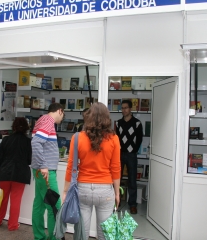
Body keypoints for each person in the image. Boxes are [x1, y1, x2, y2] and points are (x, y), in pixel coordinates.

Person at [63, 102, 120, 240]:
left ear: (89, 117)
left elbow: (71, 166)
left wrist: (65, 191)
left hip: (83, 188)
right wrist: (117, 193)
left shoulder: (77, 137)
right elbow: (116, 168)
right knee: (105, 234)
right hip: (105, 190)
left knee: (81, 232)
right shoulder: (114, 139)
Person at [31, 103, 65, 240]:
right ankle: (54, 237)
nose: (62, 119)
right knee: (54, 206)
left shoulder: (42, 120)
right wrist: (43, 165)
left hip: (40, 171)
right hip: (46, 172)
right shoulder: (48, 121)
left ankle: (39, 237)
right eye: (63, 115)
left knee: (39, 205)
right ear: (60, 111)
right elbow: (36, 142)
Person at [0, 117, 32, 230]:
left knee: (2, 200)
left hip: (4, 173)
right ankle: (12, 225)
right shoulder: (28, 142)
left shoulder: (6, 140)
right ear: (26, 128)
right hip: (20, 175)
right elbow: (29, 160)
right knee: (16, 200)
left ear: (13, 127)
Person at [115, 99, 143, 215]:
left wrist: (134, 150)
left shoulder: (137, 123)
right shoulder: (118, 123)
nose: (124, 110)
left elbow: (140, 138)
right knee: (117, 179)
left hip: (131, 155)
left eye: (126, 108)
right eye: (122, 108)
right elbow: (116, 139)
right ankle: (117, 201)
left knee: (132, 180)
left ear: (130, 109)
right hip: (120, 154)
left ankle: (132, 204)